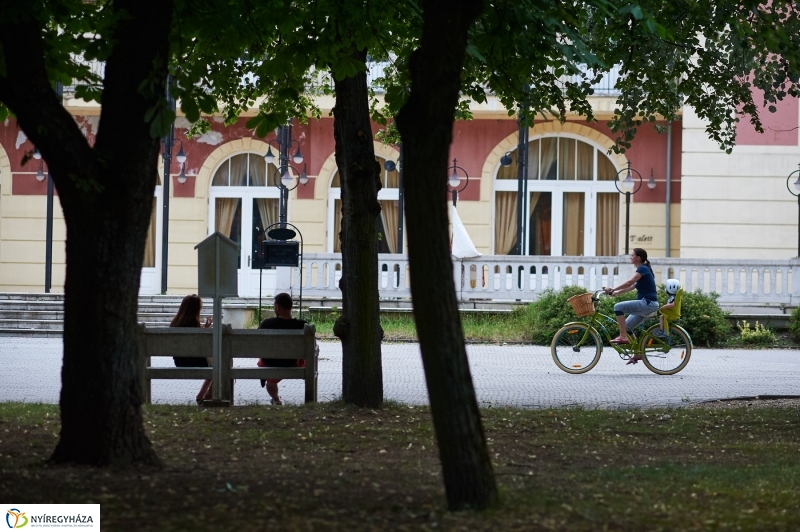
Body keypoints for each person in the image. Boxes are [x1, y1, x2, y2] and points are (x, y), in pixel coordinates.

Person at [603, 248, 659, 362]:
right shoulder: (643, 269)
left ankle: (623, 336)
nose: (630, 257)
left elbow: (629, 282)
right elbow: (632, 286)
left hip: (647, 303)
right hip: (649, 304)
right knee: (627, 327)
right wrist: (617, 293)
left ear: (638, 258)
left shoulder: (642, 269)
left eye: (632, 255)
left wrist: (613, 288)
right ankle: (638, 353)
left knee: (618, 307)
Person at [257, 293, 307, 405]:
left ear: (278, 307)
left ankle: (276, 400)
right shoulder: (303, 325)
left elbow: (256, 343)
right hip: (292, 363)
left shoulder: (266, 324)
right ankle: (309, 399)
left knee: (265, 366)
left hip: (269, 363)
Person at [170, 294, 213, 404]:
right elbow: (201, 346)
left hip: (179, 361)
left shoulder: (174, 323)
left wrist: (203, 329)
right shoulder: (194, 322)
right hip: (194, 361)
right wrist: (206, 331)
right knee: (222, 362)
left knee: (217, 363)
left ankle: (204, 395)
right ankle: (205, 394)